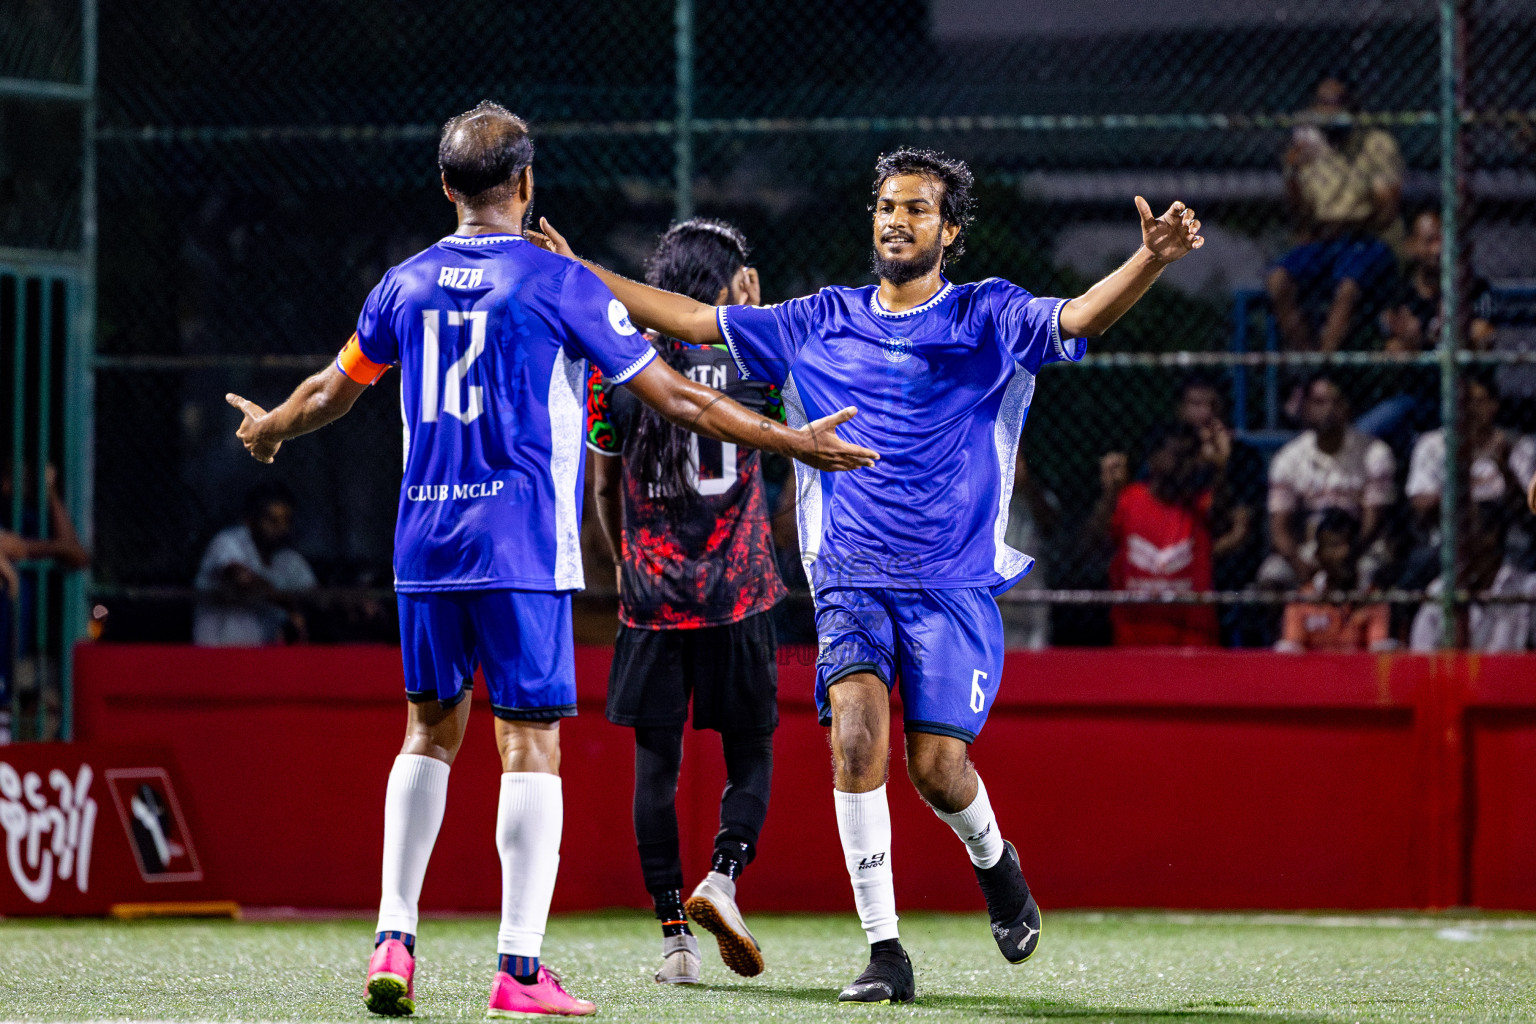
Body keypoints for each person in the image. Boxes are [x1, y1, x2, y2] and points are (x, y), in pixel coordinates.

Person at [225, 101, 875, 1020]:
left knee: (426, 733)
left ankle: (394, 941)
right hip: (519, 547)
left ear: (446, 187)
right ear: (526, 183)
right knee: (528, 743)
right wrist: (793, 441)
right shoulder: (560, 284)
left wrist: (272, 428)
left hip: (425, 542)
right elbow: (681, 398)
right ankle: (520, 970)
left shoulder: (402, 285)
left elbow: (335, 389)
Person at [534, 147, 1204, 1004]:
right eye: (888, 205)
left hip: (951, 585)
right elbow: (693, 319)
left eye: (917, 209)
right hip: (849, 577)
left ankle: (995, 862)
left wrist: (1149, 259)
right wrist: (580, 274)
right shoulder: (819, 318)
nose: (897, 220)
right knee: (854, 740)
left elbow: (1077, 318)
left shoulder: (988, 313)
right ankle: (886, 953)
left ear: (950, 231)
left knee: (937, 770)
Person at [585, 219, 785, 984]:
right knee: (752, 750)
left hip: (654, 595)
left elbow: (604, 485)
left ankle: (675, 940)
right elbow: (788, 451)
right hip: (741, 587)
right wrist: (753, 315)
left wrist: (624, 560)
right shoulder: (755, 357)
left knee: (655, 766)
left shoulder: (619, 363)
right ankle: (723, 877)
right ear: (728, 283)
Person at [1267, 76, 1403, 353]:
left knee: (1347, 286)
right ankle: (1306, 357)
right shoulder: (1307, 151)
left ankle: (1325, 361)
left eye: (1338, 103)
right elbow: (1300, 218)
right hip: (1322, 241)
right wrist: (1292, 175)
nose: (1331, 111)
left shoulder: (1375, 144)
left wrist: (1343, 224)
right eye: (1324, 103)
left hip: (1367, 239)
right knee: (1277, 281)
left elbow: (1385, 210)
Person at [1090, 423, 1224, 647]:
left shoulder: (1200, 505)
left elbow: (1229, 517)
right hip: (1135, 637)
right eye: (1177, 456)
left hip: (1193, 640)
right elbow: (1093, 542)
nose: (1184, 466)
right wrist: (1109, 494)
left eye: (1190, 457)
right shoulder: (1129, 500)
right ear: (1153, 459)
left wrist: (1220, 467)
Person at [1260, 374, 1396, 590]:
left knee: (1376, 572)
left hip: (1359, 549)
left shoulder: (1375, 454)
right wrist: (1299, 563)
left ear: (1347, 407)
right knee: (1272, 576)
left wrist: (1345, 558)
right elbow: (1279, 529)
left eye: (1337, 402)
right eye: (1320, 402)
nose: (1329, 410)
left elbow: (1373, 522)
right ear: (1306, 407)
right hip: (1307, 551)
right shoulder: (1288, 459)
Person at [1401, 375, 1536, 590]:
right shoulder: (1433, 444)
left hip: (1507, 533)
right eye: (1465, 401)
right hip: (1450, 533)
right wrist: (1461, 481)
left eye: (1479, 401)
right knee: (1420, 563)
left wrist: (1504, 468)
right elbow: (1421, 503)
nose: (1471, 409)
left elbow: (1529, 510)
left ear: (1494, 405)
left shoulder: (1518, 445)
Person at [192, 482, 317, 646]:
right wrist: (287, 604)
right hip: (216, 653)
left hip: (261, 656)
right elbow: (242, 579)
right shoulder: (228, 541)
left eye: (286, 520)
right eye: (272, 520)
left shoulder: (290, 559)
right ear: (250, 521)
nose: (281, 528)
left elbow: (315, 599)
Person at [1410, 501, 1536, 652]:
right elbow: (1421, 651)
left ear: (1492, 535)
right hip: (1452, 668)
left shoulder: (1527, 588)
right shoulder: (1440, 590)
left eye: (1467, 529)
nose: (1458, 539)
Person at [1275, 509, 1393, 653]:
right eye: (1334, 545)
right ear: (1318, 555)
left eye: (1349, 544)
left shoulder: (1372, 598)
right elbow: (1290, 650)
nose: (1344, 553)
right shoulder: (1302, 599)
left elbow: (1378, 650)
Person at [997, 453, 1059, 650]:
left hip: (1032, 598)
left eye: (1018, 460)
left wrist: (1024, 484)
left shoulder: (1037, 497)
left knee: (1035, 661)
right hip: (996, 597)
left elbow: (1052, 525)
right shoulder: (986, 497)